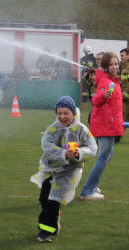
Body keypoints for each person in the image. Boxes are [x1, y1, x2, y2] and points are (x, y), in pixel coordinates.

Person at [31, 96, 97, 242]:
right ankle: (55, 218)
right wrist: (63, 154)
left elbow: (92, 148)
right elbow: (47, 147)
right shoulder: (52, 129)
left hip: (69, 172)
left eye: (66, 113)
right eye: (59, 113)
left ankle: (45, 232)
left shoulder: (81, 130)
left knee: (53, 201)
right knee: (44, 199)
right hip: (50, 169)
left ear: (73, 113)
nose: (62, 116)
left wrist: (79, 153)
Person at [79, 52, 124, 201]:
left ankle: (92, 184)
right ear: (105, 66)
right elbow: (95, 101)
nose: (114, 67)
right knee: (104, 155)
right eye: (111, 64)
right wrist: (102, 96)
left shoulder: (112, 80)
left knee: (108, 154)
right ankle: (87, 190)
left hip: (109, 122)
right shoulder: (105, 81)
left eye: (116, 64)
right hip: (105, 123)